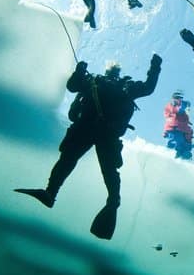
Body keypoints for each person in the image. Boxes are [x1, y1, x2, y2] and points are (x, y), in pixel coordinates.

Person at [14, 54, 162, 240]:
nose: (113, 74)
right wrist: (79, 72)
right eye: (111, 71)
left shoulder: (118, 84)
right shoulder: (97, 81)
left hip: (100, 131)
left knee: (90, 165)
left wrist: (155, 66)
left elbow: (148, 88)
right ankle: (53, 193)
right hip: (93, 130)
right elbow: (72, 86)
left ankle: (104, 202)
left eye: (114, 72)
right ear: (108, 71)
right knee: (80, 162)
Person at [162, 90, 194, 160]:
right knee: (177, 141)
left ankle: (186, 153)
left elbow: (182, 115)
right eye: (177, 97)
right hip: (175, 129)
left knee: (186, 140)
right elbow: (177, 111)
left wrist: (187, 121)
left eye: (181, 98)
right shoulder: (171, 105)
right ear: (173, 98)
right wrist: (183, 106)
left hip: (183, 129)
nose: (179, 99)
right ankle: (174, 154)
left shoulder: (181, 107)